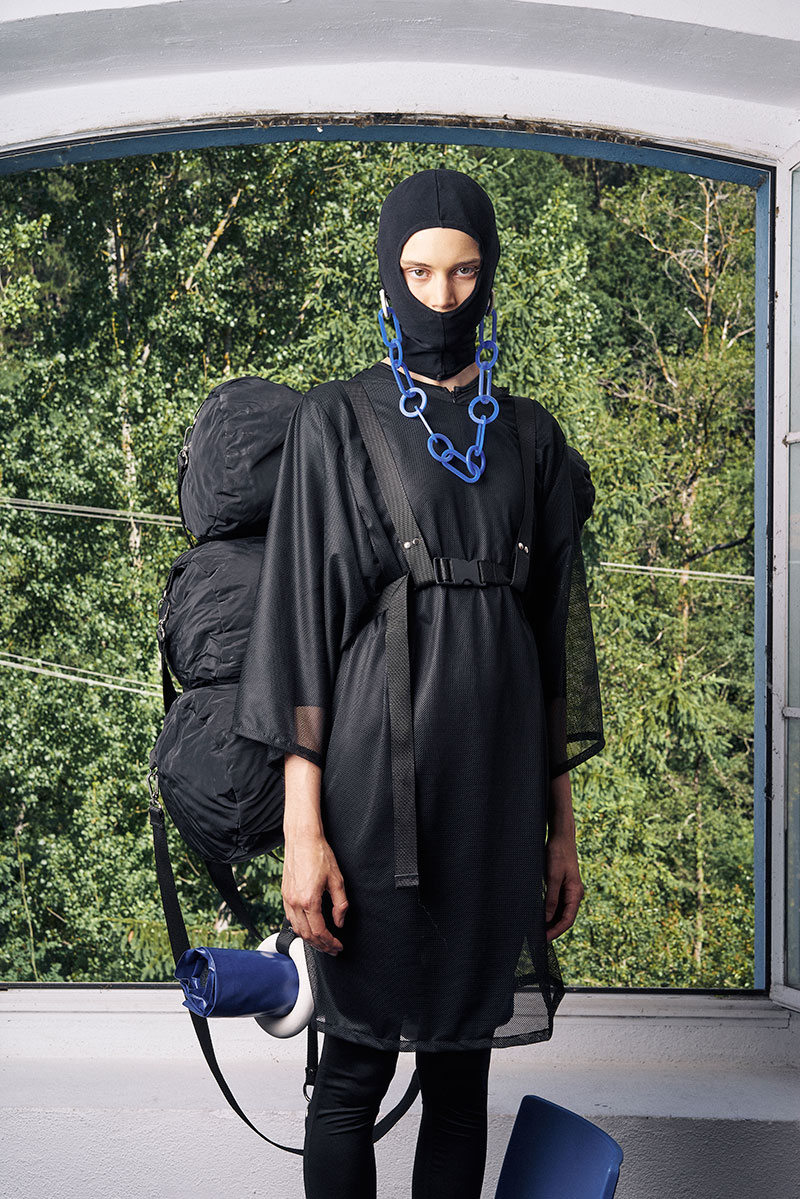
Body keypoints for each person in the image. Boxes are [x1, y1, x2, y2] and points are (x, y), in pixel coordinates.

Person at [233, 167, 603, 1199]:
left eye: (464, 271)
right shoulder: (336, 420)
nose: (442, 295)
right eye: (419, 271)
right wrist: (302, 833)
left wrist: (561, 831)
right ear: (389, 277)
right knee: (351, 1074)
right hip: (369, 794)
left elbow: (553, 649)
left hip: (493, 798)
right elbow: (299, 634)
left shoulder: (532, 437)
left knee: (459, 1081)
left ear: (490, 276)